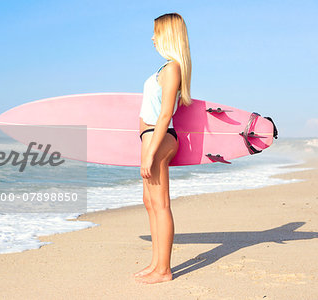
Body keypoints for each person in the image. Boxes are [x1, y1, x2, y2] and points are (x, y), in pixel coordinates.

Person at [134, 12, 192, 284]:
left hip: (160, 138)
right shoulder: (164, 69)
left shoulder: (172, 69)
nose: (152, 37)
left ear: (168, 35)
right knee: (150, 203)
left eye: (156, 32)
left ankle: (164, 270)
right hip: (151, 138)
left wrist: (149, 152)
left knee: (161, 204)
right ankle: (156, 263)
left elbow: (165, 114)